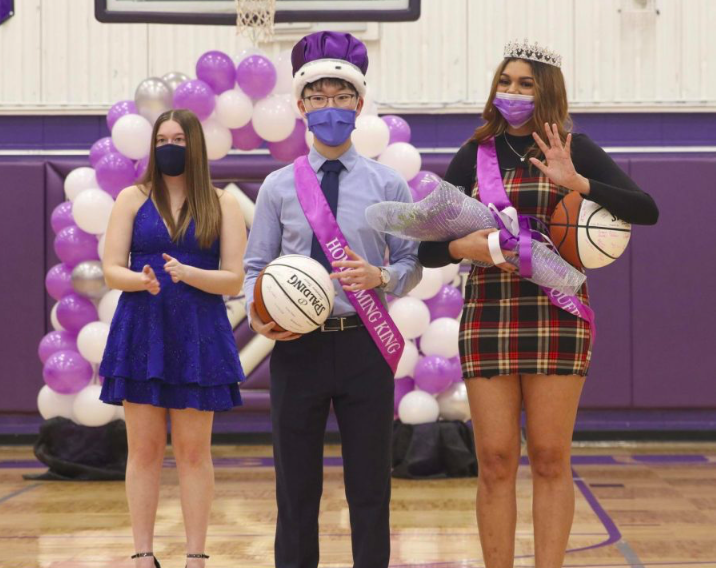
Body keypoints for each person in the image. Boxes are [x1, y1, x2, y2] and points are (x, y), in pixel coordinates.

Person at [419, 40, 659, 568]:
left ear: (546, 90)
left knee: (550, 457)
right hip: (489, 311)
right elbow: (426, 246)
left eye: (525, 84)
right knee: (496, 460)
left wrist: (579, 182)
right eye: (505, 82)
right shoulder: (473, 153)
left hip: (559, 312)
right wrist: (464, 246)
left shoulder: (575, 147)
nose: (512, 93)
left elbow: (647, 210)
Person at [243, 31, 422, 568]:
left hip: (364, 345)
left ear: (360, 105)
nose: (330, 107)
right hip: (298, 351)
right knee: (295, 490)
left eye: (341, 96)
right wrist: (265, 319)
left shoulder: (390, 185)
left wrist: (382, 277)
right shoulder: (278, 186)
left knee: (370, 487)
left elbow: (412, 265)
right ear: (300, 107)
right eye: (318, 97)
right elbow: (256, 269)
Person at [99, 109, 247, 568]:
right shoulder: (130, 197)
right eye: (162, 138)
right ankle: (143, 553)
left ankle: (195, 555)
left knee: (192, 452)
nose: (169, 145)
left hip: (199, 332)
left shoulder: (223, 204)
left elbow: (234, 279)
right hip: (141, 327)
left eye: (178, 138)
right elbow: (110, 269)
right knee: (142, 450)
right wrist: (139, 280)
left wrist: (191, 274)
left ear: (195, 144)